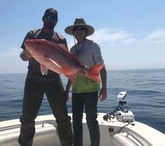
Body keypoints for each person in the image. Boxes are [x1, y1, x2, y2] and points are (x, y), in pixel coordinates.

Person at [18, 8, 73, 146]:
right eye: (48, 16)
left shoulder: (61, 39)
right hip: (33, 80)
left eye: (54, 18)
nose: (50, 20)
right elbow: (22, 56)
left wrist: (75, 72)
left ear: (56, 21)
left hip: (54, 81)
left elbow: (65, 60)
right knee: (27, 119)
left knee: (63, 117)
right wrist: (27, 55)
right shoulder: (32, 35)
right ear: (43, 18)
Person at [64, 18, 107, 146]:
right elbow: (71, 73)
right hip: (76, 91)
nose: (79, 31)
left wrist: (104, 88)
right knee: (76, 121)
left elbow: (102, 67)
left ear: (86, 31)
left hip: (91, 90)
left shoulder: (93, 46)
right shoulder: (72, 50)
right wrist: (66, 91)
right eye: (76, 29)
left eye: (81, 28)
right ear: (73, 32)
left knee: (91, 120)